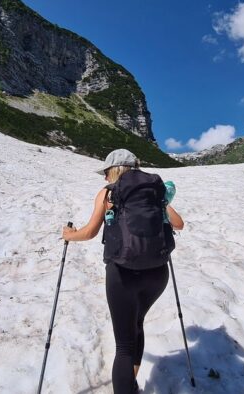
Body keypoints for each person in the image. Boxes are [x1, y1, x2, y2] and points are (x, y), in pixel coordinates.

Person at [62, 149, 184, 394]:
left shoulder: (108, 194)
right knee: (137, 324)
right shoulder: (156, 193)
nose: (105, 178)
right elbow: (178, 224)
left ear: (114, 170)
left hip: (123, 274)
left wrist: (69, 235)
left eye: (106, 173)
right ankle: (131, 383)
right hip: (157, 274)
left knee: (124, 347)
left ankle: (126, 386)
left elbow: (90, 232)